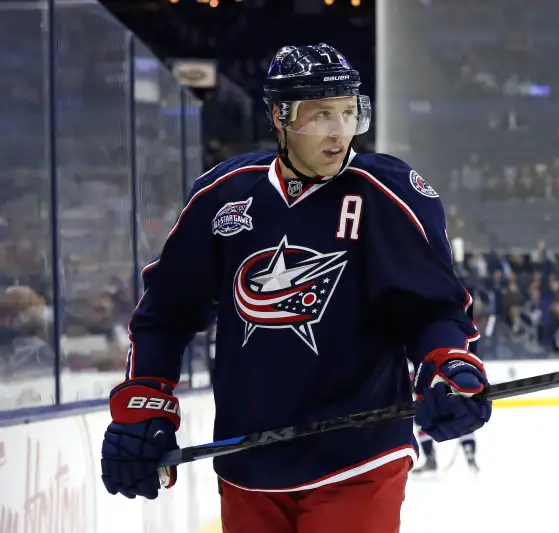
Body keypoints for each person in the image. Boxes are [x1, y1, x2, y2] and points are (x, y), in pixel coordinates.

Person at [99, 43, 492, 533]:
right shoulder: (225, 194)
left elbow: (432, 308)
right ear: (280, 117)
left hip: (360, 456)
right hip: (248, 460)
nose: (339, 131)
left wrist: (447, 364)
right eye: (321, 114)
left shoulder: (389, 192)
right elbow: (166, 311)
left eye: (349, 112)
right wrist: (144, 397)